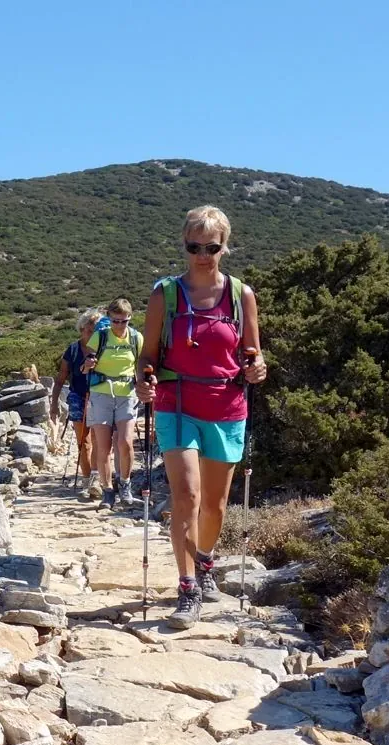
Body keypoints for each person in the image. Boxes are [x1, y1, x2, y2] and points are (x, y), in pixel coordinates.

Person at [137, 205, 268, 629]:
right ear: (184, 245)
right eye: (194, 246)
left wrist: (257, 368)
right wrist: (144, 379)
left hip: (226, 407)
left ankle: (205, 563)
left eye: (211, 247)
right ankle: (188, 586)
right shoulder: (166, 294)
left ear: (224, 247)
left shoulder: (240, 295)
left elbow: (253, 351)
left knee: (215, 506)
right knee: (187, 498)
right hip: (176, 405)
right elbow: (148, 354)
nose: (201, 254)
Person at [79, 299, 143, 507]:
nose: (119, 325)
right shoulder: (101, 336)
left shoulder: (135, 338)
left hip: (126, 393)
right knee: (104, 446)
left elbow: (142, 364)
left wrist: (147, 381)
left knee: (125, 442)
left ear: (129, 319)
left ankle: (124, 484)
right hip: (101, 393)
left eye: (123, 321)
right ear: (109, 318)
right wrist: (89, 363)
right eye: (115, 321)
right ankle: (107, 490)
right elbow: (86, 362)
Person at [52, 310, 101, 491]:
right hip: (77, 397)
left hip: (100, 397)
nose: (91, 334)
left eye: (95, 331)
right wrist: (54, 404)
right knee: (84, 442)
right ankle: (88, 479)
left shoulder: (104, 349)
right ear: (81, 329)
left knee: (98, 440)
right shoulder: (72, 350)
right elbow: (60, 378)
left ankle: (96, 479)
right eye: (88, 330)